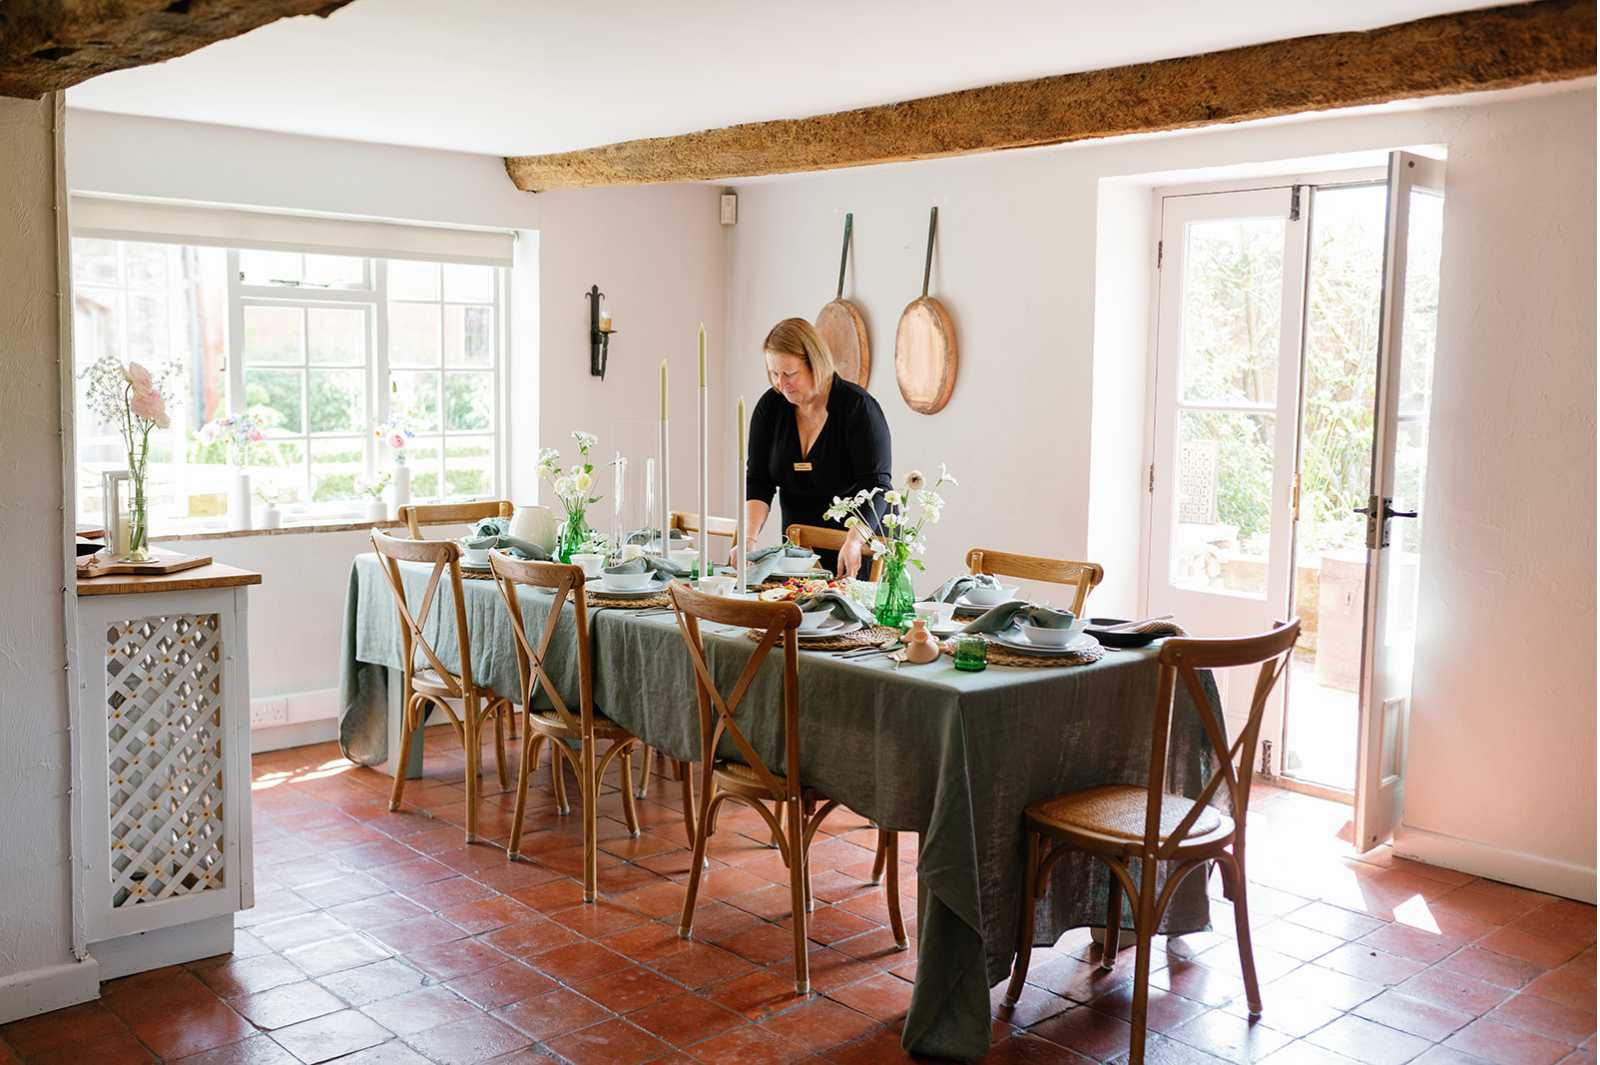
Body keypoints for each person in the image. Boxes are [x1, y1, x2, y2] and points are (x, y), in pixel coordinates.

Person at [743, 318, 892, 578]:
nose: (780, 383)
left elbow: (877, 487)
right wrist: (748, 539)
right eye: (773, 373)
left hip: (856, 541)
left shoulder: (858, 407)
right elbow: (758, 481)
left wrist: (855, 540)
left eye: (789, 374)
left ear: (816, 364)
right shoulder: (771, 407)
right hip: (798, 548)